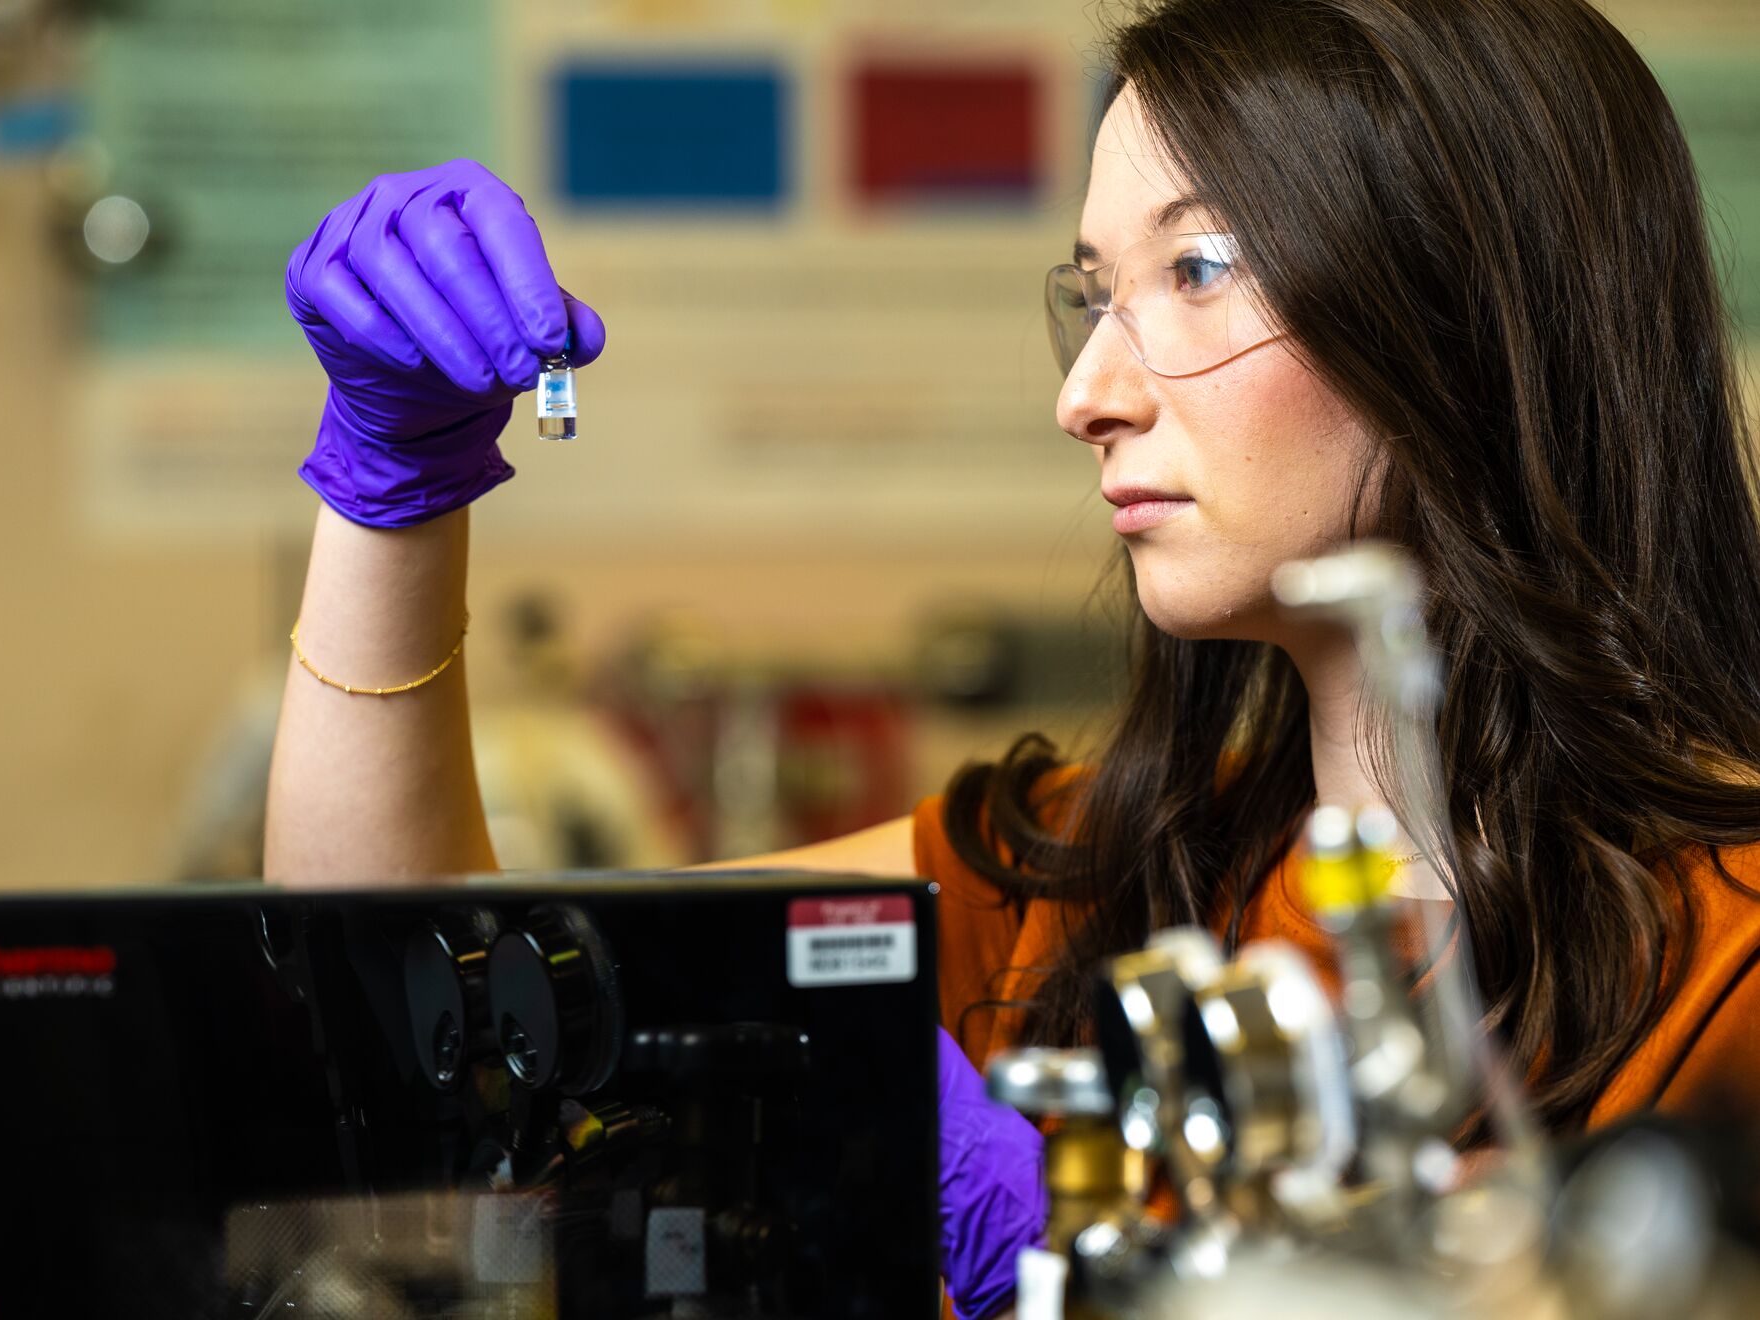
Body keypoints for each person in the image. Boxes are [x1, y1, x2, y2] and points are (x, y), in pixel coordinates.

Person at [264, 1, 1760, 1315]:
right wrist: (390, 494)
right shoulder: (1073, 875)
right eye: (1094, 293)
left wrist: (1084, 1275)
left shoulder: (1732, 956)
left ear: (1468, 308)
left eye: (1197, 270)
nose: (1091, 394)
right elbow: (433, 995)